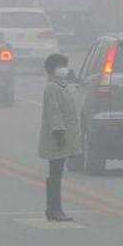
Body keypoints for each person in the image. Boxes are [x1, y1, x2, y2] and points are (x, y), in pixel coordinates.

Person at [38, 54, 82, 221]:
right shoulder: (51, 87)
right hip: (57, 138)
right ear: (51, 70)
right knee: (55, 174)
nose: (64, 68)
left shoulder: (63, 86)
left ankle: (55, 208)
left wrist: (74, 82)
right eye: (60, 66)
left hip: (65, 136)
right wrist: (59, 133)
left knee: (57, 174)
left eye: (65, 65)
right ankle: (54, 209)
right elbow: (53, 112)